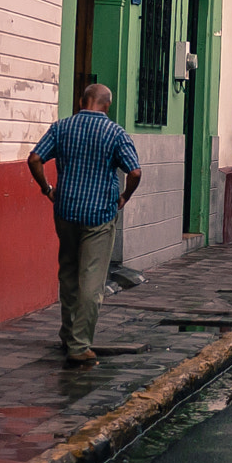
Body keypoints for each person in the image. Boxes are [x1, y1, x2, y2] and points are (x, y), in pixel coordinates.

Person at [27, 83, 141, 368]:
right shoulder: (115, 133)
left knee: (68, 273)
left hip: (65, 211)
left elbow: (35, 158)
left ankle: (67, 334)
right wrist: (124, 196)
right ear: (107, 105)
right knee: (92, 281)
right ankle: (79, 345)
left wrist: (47, 189)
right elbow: (135, 171)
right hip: (99, 216)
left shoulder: (61, 128)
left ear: (81, 100)